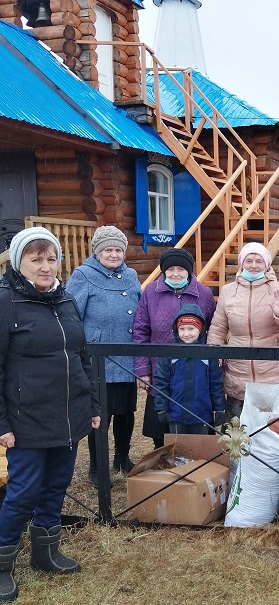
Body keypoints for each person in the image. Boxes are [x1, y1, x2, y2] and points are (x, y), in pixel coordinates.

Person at [0, 227, 100, 602]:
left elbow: (81, 357)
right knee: (23, 492)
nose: (45, 266)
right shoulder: (6, 302)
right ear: (18, 262)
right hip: (25, 422)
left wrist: (90, 407)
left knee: (57, 487)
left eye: (51, 258)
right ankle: (2, 564)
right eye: (35, 259)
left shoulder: (66, 300)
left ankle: (45, 552)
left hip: (69, 418)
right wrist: (1, 425)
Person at [66, 225, 142, 488]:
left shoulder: (131, 275)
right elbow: (70, 315)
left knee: (126, 412)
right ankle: (97, 467)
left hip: (127, 356)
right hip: (98, 360)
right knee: (101, 415)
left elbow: (140, 309)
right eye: (108, 250)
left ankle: (122, 458)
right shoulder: (83, 275)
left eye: (118, 250)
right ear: (97, 252)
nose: (114, 254)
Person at [207, 242, 279, 421]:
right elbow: (218, 328)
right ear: (241, 263)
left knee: (276, 436)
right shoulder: (228, 291)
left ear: (267, 265)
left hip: (275, 375)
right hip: (238, 375)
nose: (253, 265)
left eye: (259, 261)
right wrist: (215, 352)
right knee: (239, 437)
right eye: (249, 260)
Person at [133, 248, 216, 448]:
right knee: (160, 427)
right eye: (171, 269)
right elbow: (140, 331)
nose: (176, 274)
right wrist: (142, 370)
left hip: (195, 373)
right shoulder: (151, 293)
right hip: (160, 369)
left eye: (181, 269)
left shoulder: (204, 294)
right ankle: (163, 462)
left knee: (197, 427)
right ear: (163, 271)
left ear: (189, 271)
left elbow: (213, 328)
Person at [154, 304, 225, 435]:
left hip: (202, 415)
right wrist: (161, 408)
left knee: (200, 452)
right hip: (176, 415)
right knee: (179, 451)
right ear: (176, 330)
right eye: (182, 329)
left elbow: (216, 384)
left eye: (191, 328)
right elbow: (161, 382)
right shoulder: (169, 354)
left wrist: (219, 408)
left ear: (201, 329)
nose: (186, 334)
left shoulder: (209, 356)